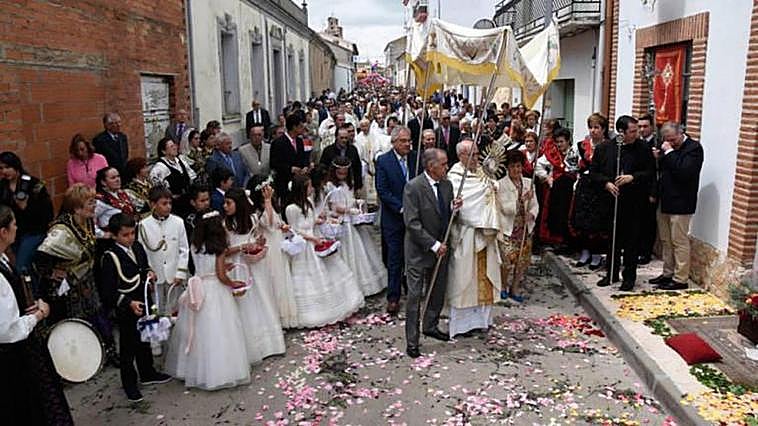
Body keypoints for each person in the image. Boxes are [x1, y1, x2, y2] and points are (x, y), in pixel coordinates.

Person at [0, 205, 74, 425]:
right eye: (13, 223)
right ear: (3, 232)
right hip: (14, 357)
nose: (17, 227)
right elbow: (7, 330)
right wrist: (39, 315)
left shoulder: (5, 259)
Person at [164, 209, 251, 391]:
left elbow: (205, 269)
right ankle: (219, 372)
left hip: (199, 287)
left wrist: (219, 269)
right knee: (218, 330)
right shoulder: (218, 249)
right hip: (215, 291)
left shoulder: (196, 247)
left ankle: (194, 369)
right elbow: (219, 275)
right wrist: (232, 282)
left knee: (197, 331)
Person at [35, 184, 119, 365]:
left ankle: (108, 351)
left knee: (97, 313)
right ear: (77, 208)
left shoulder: (87, 220)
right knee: (75, 322)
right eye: (90, 202)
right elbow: (40, 257)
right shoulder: (61, 231)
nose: (95, 205)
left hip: (86, 278)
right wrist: (52, 272)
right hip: (68, 285)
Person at [100, 213, 172, 402]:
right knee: (128, 347)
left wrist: (150, 273)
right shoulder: (110, 257)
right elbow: (108, 290)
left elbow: (144, 267)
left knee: (146, 339)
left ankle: (147, 372)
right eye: (125, 235)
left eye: (132, 233)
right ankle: (129, 384)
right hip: (127, 307)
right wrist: (128, 303)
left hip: (145, 300)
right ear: (115, 236)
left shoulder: (138, 247)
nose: (130, 238)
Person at [284, 174, 364, 327]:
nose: (312, 188)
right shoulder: (291, 208)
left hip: (316, 237)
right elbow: (294, 230)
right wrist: (312, 239)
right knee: (310, 277)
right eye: (308, 186)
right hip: (305, 245)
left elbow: (311, 220)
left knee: (332, 269)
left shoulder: (308, 202)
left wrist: (319, 219)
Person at [403, 148, 460, 358]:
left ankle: (430, 324)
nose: (447, 167)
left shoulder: (447, 185)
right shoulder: (413, 187)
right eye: (444, 164)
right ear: (431, 166)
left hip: (442, 248)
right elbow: (412, 223)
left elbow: (446, 213)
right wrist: (434, 245)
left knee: (437, 290)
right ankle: (412, 340)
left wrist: (455, 208)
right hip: (419, 250)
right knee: (415, 295)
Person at [590, 115, 655, 291]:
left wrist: (632, 177)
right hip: (611, 202)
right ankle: (611, 274)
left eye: (637, 131)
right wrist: (606, 183)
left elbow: (650, 172)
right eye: (632, 131)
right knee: (612, 241)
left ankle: (629, 277)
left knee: (632, 241)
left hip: (634, 202)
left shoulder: (643, 148)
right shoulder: (605, 148)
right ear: (621, 132)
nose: (637, 134)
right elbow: (593, 172)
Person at [446, 139, 501, 337]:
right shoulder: (454, 177)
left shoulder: (480, 173)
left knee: (484, 278)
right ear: (461, 156)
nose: (478, 158)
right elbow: (465, 206)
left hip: (484, 236)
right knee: (464, 280)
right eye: (474, 155)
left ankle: (482, 321)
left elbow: (490, 189)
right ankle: (461, 325)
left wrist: (493, 188)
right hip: (466, 236)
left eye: (478, 154)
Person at [223, 188, 285, 362]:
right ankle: (251, 346)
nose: (225, 206)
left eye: (229, 203)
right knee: (245, 302)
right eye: (225, 203)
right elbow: (223, 251)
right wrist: (242, 247)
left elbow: (257, 235)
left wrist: (258, 242)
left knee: (262, 297)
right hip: (238, 265)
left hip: (255, 265)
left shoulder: (252, 219)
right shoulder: (225, 224)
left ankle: (270, 344)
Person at [649, 122, 704, 290]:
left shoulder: (694, 148)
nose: (670, 143)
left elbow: (684, 172)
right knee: (666, 241)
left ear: (681, 133)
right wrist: (658, 158)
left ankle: (680, 279)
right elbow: (663, 172)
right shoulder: (666, 147)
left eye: (673, 139)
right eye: (667, 140)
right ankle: (667, 273)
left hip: (681, 202)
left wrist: (669, 152)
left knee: (679, 241)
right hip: (664, 200)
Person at [324, 157, 387, 297]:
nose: (343, 176)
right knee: (348, 251)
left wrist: (355, 202)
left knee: (361, 249)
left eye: (345, 173)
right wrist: (348, 210)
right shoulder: (330, 186)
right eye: (340, 173)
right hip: (341, 220)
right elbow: (334, 205)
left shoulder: (348, 184)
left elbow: (348, 198)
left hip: (351, 220)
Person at [375, 126, 417, 314]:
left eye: (409, 140)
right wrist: (401, 208)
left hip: (415, 217)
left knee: (414, 256)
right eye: (403, 141)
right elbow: (382, 191)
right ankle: (393, 296)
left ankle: (413, 289)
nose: (407, 144)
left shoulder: (416, 159)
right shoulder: (384, 161)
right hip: (394, 218)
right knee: (394, 258)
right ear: (394, 143)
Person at [247, 176, 298, 328]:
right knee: (274, 278)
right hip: (269, 248)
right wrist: (267, 201)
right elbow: (267, 223)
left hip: (278, 244)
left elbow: (275, 222)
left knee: (283, 277)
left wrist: (283, 226)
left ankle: (286, 315)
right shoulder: (257, 210)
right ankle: (275, 318)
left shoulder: (273, 205)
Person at [0, 152, 54, 276]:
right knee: (25, 267)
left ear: (16, 166)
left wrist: (26, 207)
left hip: (34, 231)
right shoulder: (2, 187)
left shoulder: (33, 184)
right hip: (14, 233)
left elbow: (46, 212)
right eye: (1, 168)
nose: (4, 171)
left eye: (8, 167)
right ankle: (32, 291)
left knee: (21, 266)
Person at [138, 186, 189, 317]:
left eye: (170, 203)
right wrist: (147, 273)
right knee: (157, 309)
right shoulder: (143, 225)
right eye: (164, 204)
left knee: (175, 308)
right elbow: (142, 252)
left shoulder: (178, 222)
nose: (168, 207)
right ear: (153, 204)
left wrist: (180, 272)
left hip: (174, 275)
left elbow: (184, 249)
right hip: (155, 275)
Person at [496, 151, 539, 302]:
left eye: (519, 166)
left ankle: (515, 287)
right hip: (509, 228)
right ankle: (502, 286)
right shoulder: (501, 184)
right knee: (506, 261)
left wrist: (532, 214)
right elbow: (505, 208)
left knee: (522, 261)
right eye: (513, 166)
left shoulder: (528, 182)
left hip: (525, 229)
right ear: (507, 168)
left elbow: (535, 205)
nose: (517, 170)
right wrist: (520, 199)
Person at [571, 113, 612, 270]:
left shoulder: (609, 146)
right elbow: (573, 163)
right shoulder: (582, 145)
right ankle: (585, 251)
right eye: (591, 127)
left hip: (600, 187)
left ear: (603, 129)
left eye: (596, 127)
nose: (593, 130)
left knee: (598, 223)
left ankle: (596, 255)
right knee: (583, 221)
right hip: (585, 186)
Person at [535, 128, 579, 248]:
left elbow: (579, 170)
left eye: (562, 142)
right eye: (557, 142)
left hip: (571, 189)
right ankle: (558, 240)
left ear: (568, 141)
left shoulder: (575, 152)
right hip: (557, 189)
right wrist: (547, 177)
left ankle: (571, 242)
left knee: (570, 216)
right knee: (556, 215)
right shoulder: (552, 153)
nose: (559, 145)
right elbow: (538, 165)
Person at [150, 137, 196, 218]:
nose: (175, 147)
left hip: (187, 201)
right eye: (171, 146)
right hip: (174, 205)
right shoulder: (160, 168)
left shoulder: (181, 160)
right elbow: (157, 189)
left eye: (174, 145)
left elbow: (192, 176)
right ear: (163, 151)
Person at [271, 113, 310, 206]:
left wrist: (305, 166)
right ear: (294, 127)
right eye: (300, 126)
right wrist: (290, 169)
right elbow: (274, 163)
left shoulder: (300, 141)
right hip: (284, 182)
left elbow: (304, 157)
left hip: (299, 182)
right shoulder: (278, 143)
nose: (302, 129)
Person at [637, 114, 659, 265]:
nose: (642, 129)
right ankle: (636, 249)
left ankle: (646, 252)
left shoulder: (658, 143)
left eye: (645, 126)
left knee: (649, 222)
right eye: (640, 127)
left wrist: (653, 192)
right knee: (637, 221)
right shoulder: (637, 143)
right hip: (637, 188)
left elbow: (658, 172)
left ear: (652, 126)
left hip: (650, 189)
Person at [320, 124, 363, 192]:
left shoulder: (353, 150)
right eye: (342, 138)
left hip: (349, 185)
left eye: (346, 138)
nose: (344, 140)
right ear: (336, 137)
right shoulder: (328, 151)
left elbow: (357, 169)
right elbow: (323, 168)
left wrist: (358, 187)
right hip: (331, 186)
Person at [95, 166, 137, 230]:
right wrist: (102, 234)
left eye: (118, 176)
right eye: (113, 178)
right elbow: (89, 220)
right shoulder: (100, 200)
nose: (118, 180)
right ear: (103, 182)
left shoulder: (122, 193)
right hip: (113, 237)